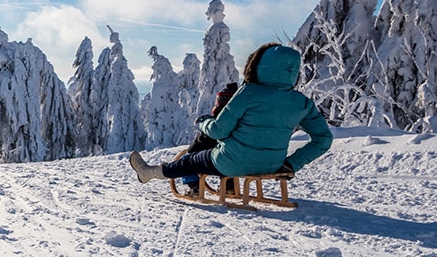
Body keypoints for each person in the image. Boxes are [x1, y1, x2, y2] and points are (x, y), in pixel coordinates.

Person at [129, 43, 333, 191]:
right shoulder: (301, 101)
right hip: (273, 165)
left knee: (189, 161)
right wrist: (293, 163)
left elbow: (219, 130)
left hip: (230, 163)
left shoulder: (248, 93)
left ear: (257, 66)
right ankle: (228, 188)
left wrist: (203, 122)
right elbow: (324, 139)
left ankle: (148, 173)